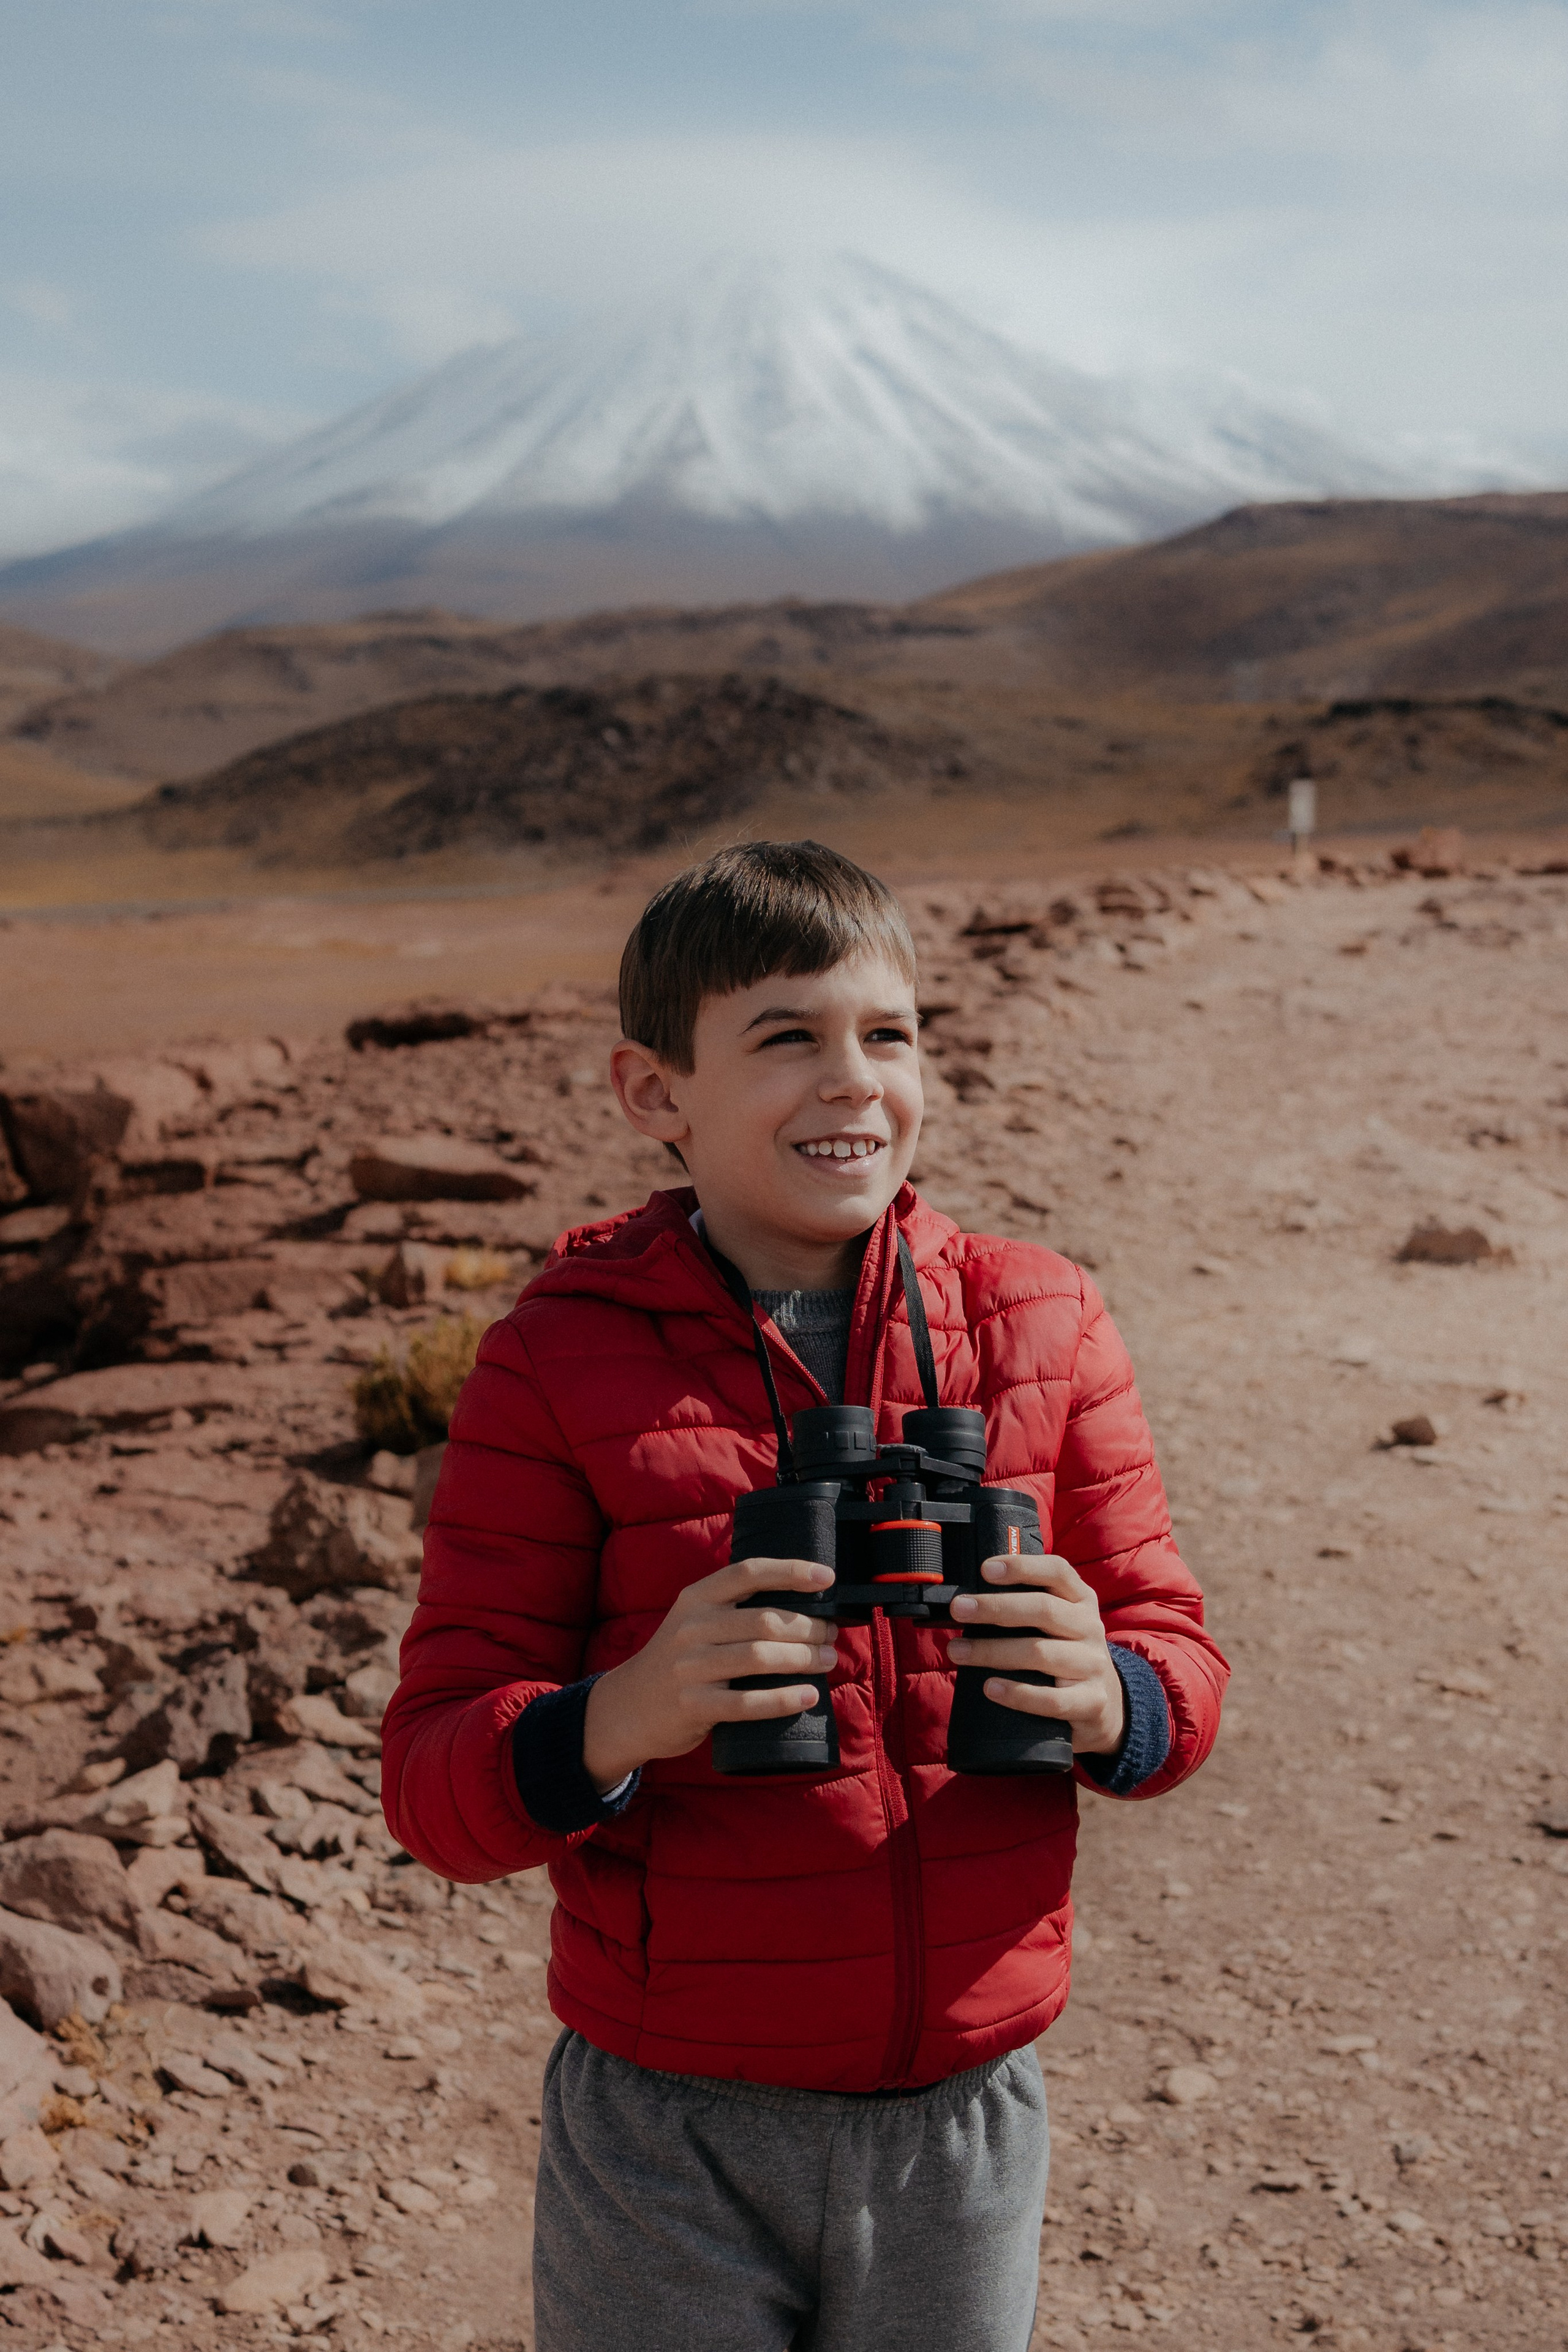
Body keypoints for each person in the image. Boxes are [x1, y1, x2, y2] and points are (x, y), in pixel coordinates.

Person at [382, 840, 1228, 2352]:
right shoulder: (556, 1362)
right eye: (786, 1038)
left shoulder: (1042, 1319)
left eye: (886, 1035)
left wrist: (1114, 1697)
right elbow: (434, 1781)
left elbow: (1176, 1657)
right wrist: (623, 1715)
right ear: (655, 1095)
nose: (853, 1082)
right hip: (667, 2125)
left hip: (961, 2112)